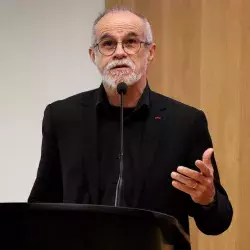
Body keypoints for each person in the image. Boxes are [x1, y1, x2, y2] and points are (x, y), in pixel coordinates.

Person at [28, 7, 233, 249]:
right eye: (107, 44)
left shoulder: (186, 122)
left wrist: (207, 199)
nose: (119, 53)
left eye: (131, 42)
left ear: (150, 52)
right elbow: (40, 209)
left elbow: (217, 223)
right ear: (93, 55)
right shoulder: (62, 117)